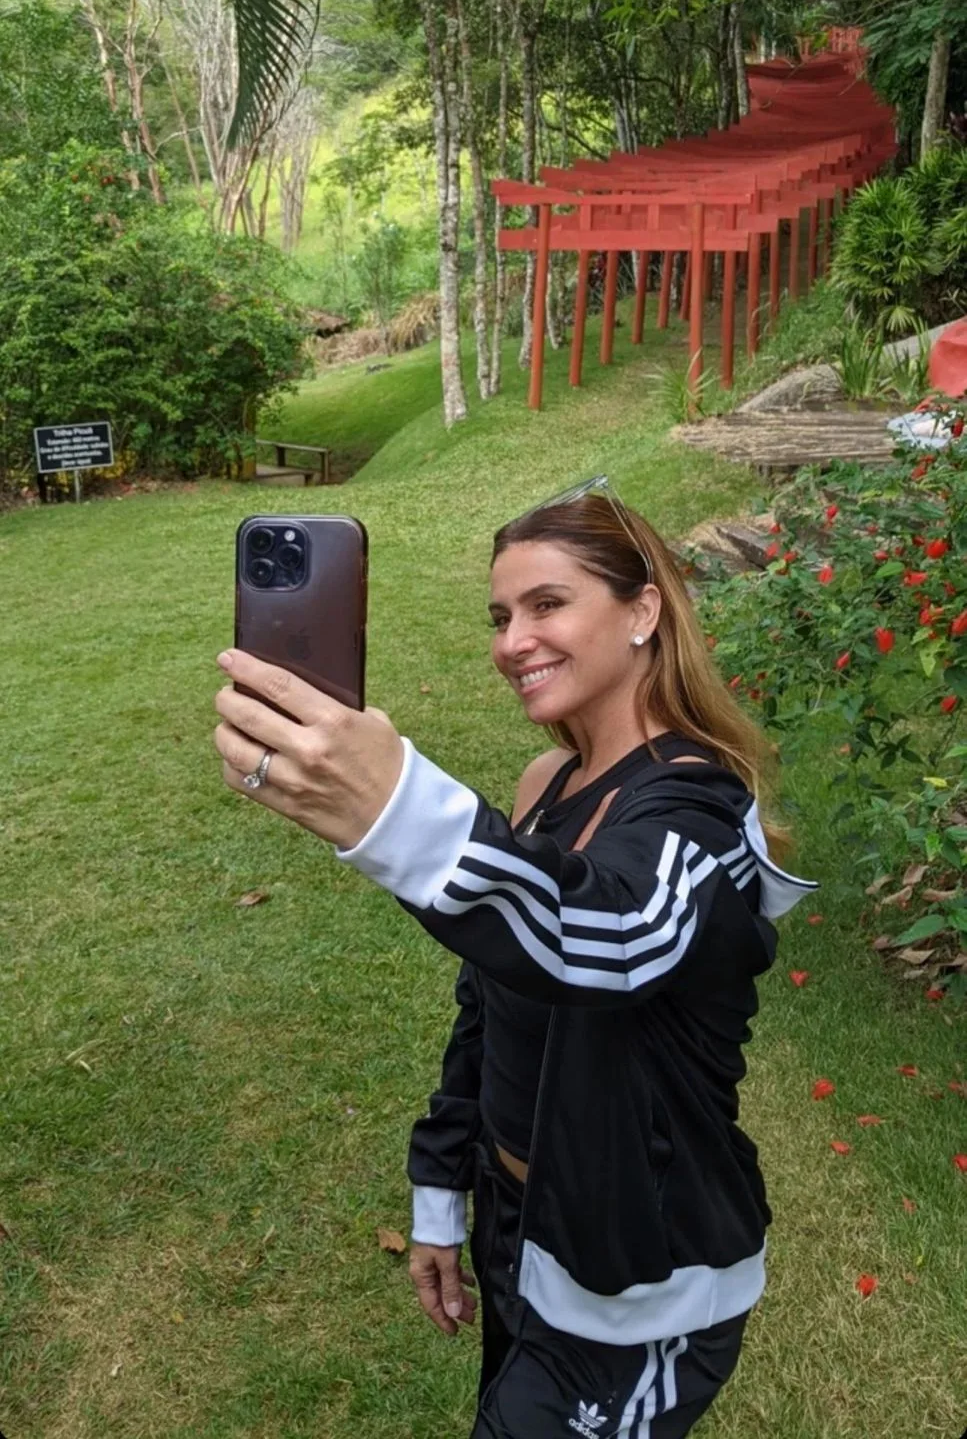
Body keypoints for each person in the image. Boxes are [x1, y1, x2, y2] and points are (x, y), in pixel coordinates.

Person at [213, 480, 817, 1438]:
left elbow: (606, 937)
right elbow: (490, 1005)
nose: (510, 642)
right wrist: (440, 1194)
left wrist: (392, 810)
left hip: (636, 1279)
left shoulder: (700, 809)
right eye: (500, 616)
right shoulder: (547, 782)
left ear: (643, 611)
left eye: (546, 605)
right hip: (517, 1226)